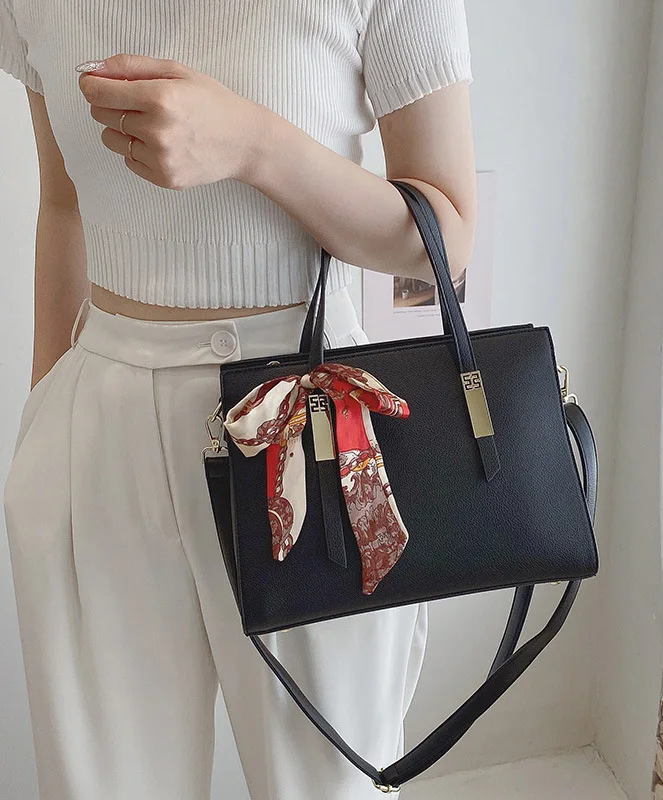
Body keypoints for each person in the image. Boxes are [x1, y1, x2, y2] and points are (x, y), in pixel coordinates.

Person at [0, 0, 477, 798]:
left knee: (330, 782)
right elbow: (64, 205)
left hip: (311, 427)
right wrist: (42, 420)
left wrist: (255, 144)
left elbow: (444, 239)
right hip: (97, 425)